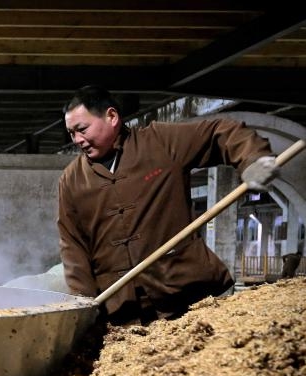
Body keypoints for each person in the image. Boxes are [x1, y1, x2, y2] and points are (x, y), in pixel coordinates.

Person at [57, 85, 280, 323]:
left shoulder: (161, 143)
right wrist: (82, 306)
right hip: (122, 312)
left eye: (82, 129)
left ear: (111, 117)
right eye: (71, 133)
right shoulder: (72, 181)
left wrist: (252, 159)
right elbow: (73, 246)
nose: (77, 140)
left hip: (183, 297)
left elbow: (220, 132)